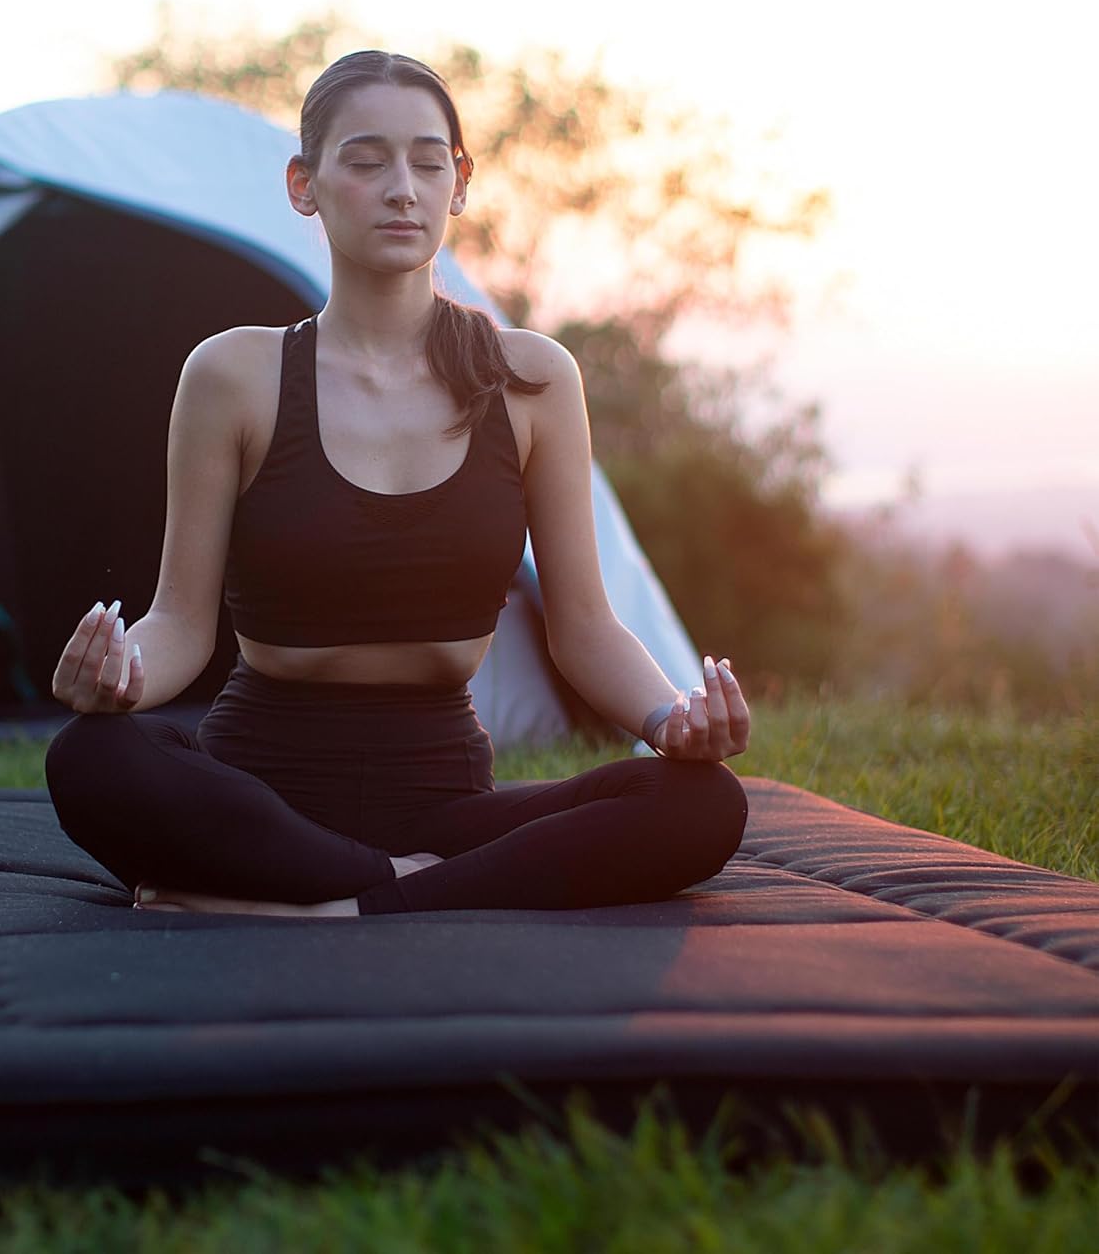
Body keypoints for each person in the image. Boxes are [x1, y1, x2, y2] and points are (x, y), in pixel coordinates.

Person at [43, 49, 750, 918]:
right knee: (88, 756)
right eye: (366, 160)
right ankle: (403, 892)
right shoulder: (234, 373)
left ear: (460, 184)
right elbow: (181, 624)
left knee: (702, 801)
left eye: (427, 161)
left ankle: (325, 898)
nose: (401, 188)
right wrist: (116, 678)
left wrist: (670, 723)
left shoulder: (533, 379)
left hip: (443, 802)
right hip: (255, 789)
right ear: (306, 184)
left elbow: (586, 628)